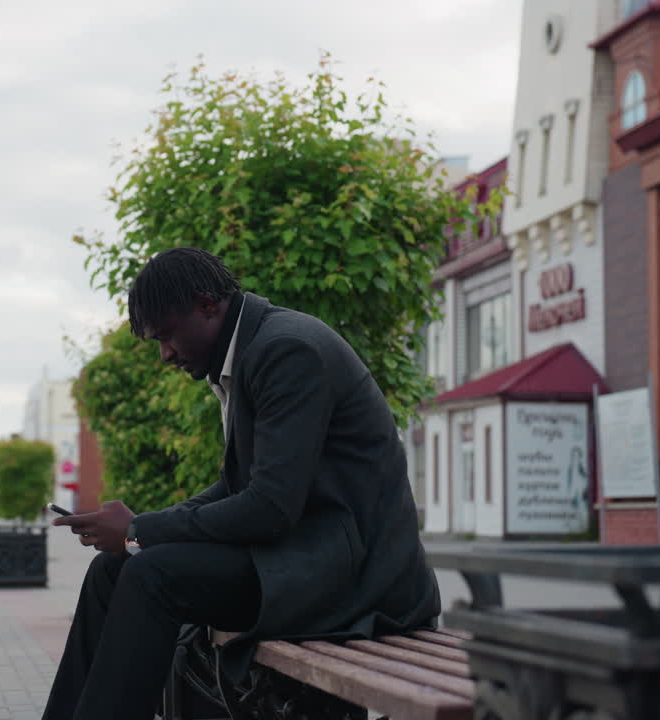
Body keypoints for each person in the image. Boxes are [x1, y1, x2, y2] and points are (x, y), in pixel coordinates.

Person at [44, 247, 440, 720]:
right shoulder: (248, 352)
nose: (165, 354)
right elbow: (235, 488)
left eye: (167, 335)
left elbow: (270, 509)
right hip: (307, 558)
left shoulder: (286, 350)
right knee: (112, 570)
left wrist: (139, 532)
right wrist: (136, 531)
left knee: (153, 575)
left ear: (208, 305)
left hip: (361, 581)